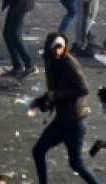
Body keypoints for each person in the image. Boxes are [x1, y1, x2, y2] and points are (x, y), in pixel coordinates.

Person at [30, 33, 99, 184]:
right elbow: (54, 90)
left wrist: (57, 95)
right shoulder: (51, 61)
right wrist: (41, 102)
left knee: (77, 163)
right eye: (55, 47)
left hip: (75, 120)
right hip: (63, 118)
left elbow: (84, 88)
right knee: (38, 151)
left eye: (60, 47)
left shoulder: (69, 63)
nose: (57, 51)